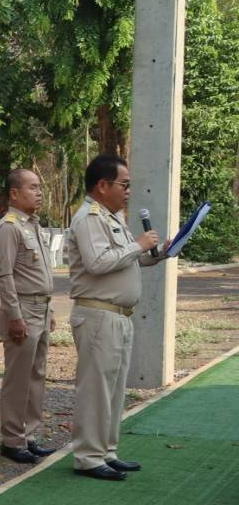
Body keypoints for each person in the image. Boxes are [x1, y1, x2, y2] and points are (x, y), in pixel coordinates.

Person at [67, 155, 166, 481]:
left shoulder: (112, 217)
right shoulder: (88, 217)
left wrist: (157, 253)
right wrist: (137, 245)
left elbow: (124, 261)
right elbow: (97, 262)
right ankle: (88, 456)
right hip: (97, 314)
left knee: (113, 388)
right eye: (124, 185)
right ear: (102, 185)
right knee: (96, 388)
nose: (128, 191)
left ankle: (106, 451)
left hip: (118, 316)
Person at [0, 168, 57, 465]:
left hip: (40, 308)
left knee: (36, 375)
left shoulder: (33, 225)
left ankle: (29, 434)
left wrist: (51, 307)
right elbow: (4, 275)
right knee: (18, 378)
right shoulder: (9, 227)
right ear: (15, 194)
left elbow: (42, 272)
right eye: (32, 187)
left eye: (39, 187)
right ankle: (12, 439)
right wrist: (14, 316)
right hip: (22, 310)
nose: (39, 192)